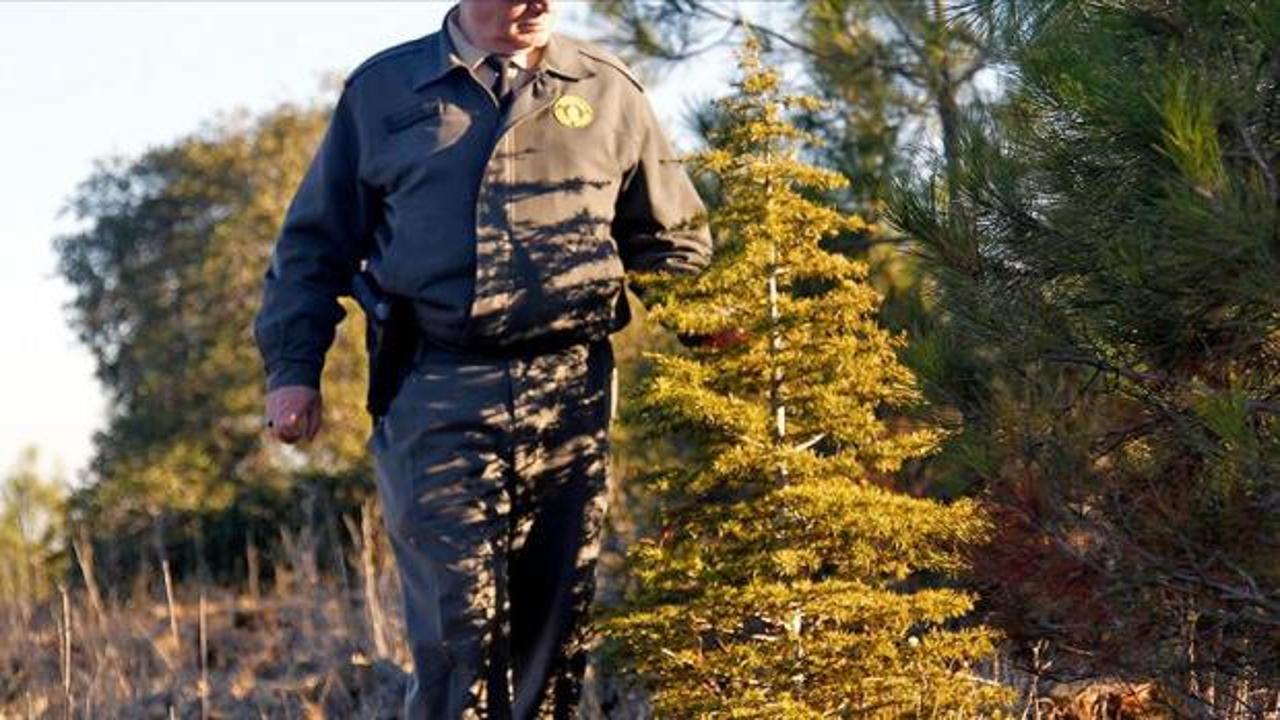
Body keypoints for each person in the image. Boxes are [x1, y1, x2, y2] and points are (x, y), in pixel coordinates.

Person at [252, 0, 713, 717]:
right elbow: (313, 250)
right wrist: (293, 372)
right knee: (458, 627)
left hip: (572, 391)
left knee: (552, 632)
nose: (538, 5)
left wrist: (716, 341)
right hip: (435, 384)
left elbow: (669, 243)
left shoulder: (607, 89)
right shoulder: (384, 91)